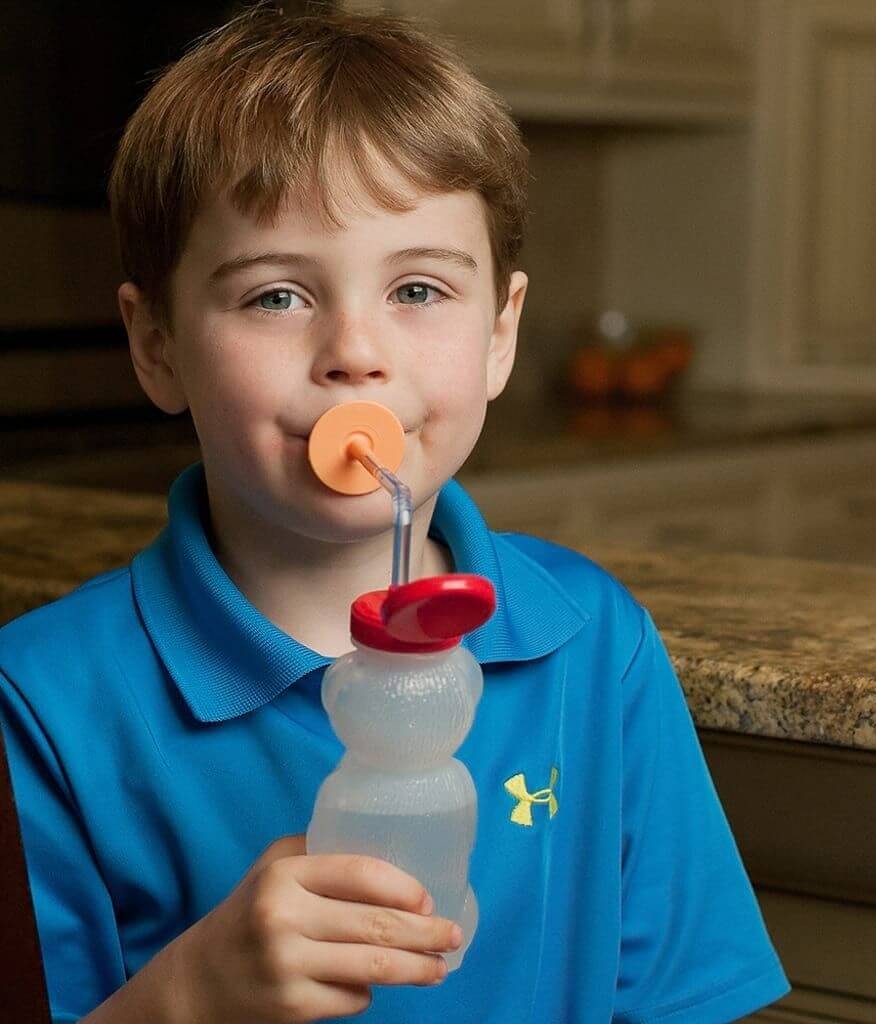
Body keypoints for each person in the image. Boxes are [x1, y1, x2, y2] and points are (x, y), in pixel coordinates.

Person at [0, 7, 790, 1023]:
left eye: (418, 287)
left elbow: (690, 999)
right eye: (276, 296)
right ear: (155, 344)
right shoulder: (41, 704)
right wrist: (190, 994)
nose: (355, 351)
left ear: (500, 334)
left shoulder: (596, 647)